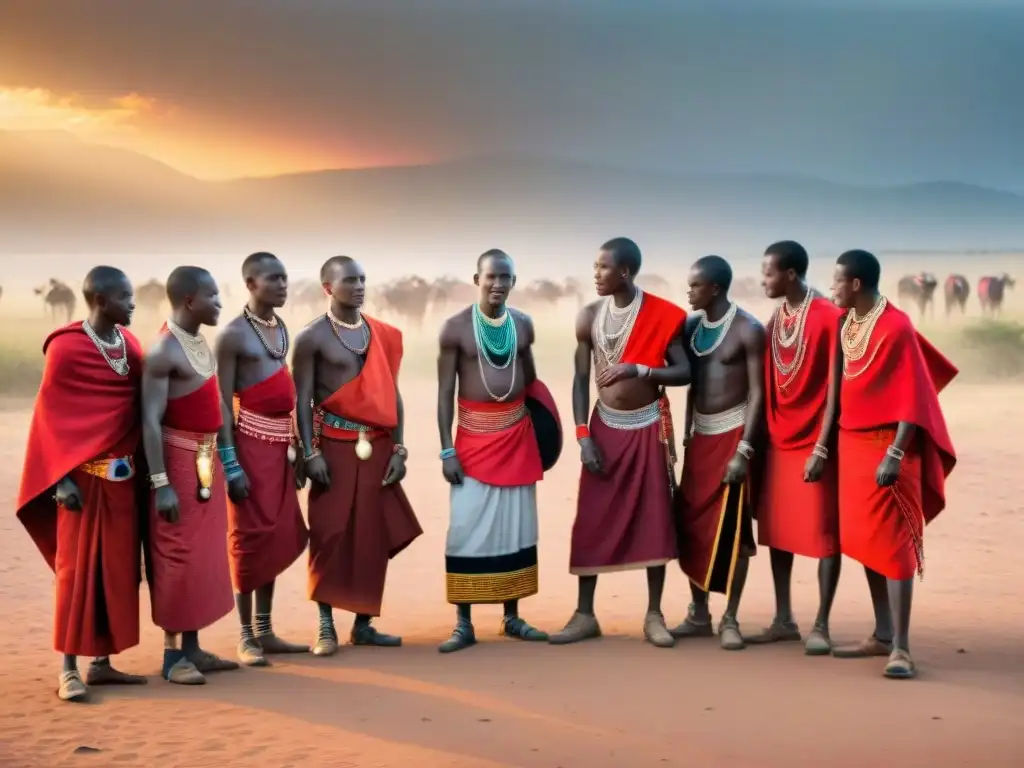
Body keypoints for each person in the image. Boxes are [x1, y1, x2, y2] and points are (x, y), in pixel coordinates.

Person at [549, 237, 690, 647]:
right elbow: (579, 380)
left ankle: (654, 615)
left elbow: (684, 373)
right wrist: (582, 436)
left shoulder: (664, 316)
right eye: (595, 266)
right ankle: (584, 614)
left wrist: (641, 369)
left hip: (648, 427)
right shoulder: (589, 316)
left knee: (655, 518)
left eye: (603, 267)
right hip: (603, 430)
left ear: (625, 272)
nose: (596, 274)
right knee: (592, 518)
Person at [17, 266, 148, 701]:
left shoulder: (128, 344)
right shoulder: (67, 349)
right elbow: (49, 417)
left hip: (123, 484)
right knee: (77, 574)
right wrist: (59, 478)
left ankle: (102, 665)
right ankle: (68, 669)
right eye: (125, 296)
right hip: (81, 485)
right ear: (100, 301)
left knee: (116, 573)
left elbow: (138, 407)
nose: (133, 302)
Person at [829, 249, 957, 679]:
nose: (832, 289)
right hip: (852, 444)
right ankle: (882, 634)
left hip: (887, 447)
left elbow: (914, 396)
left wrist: (896, 452)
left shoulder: (897, 326)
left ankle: (901, 649)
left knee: (896, 545)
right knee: (868, 542)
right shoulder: (849, 322)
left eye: (837, 282)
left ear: (856, 284)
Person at [293, 256, 422, 656]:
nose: (359, 286)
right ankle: (325, 626)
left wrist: (399, 448)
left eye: (363, 279)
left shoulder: (378, 334)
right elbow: (301, 399)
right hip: (332, 447)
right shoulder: (311, 337)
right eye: (350, 280)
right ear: (328, 287)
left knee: (371, 535)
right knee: (330, 535)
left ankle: (363, 624)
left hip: (378, 446)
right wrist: (310, 453)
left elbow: (392, 396)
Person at [435, 249, 562, 653]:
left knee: (515, 527)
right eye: (491, 277)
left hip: (517, 436)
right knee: (466, 528)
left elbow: (532, 383)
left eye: (505, 277)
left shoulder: (523, 325)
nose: (497, 285)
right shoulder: (454, 328)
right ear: (477, 279)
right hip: (472, 440)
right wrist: (446, 450)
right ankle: (463, 622)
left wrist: (544, 436)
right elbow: (444, 395)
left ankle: (512, 616)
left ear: (513, 281)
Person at [142, 266, 238, 684]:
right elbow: (149, 420)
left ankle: (194, 648)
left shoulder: (199, 342)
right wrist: (161, 483)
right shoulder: (163, 350)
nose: (220, 303)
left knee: (203, 559)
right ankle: (171, 657)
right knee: (176, 558)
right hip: (176, 465)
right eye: (213, 296)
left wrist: (225, 463)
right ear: (189, 300)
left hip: (207, 462)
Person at [748, 241, 844, 654]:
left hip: (815, 442)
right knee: (779, 533)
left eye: (768, 273)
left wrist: (822, 447)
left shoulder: (827, 317)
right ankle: (784, 619)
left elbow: (837, 389)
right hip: (778, 440)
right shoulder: (776, 318)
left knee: (824, 533)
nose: (762, 279)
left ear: (790, 274)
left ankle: (821, 624)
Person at [214, 252, 309, 666]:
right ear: (250, 284)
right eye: (274, 278)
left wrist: (300, 447)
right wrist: (231, 463)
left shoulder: (279, 327)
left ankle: (267, 630)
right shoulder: (232, 335)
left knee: (273, 536)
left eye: (286, 278)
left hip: (280, 448)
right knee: (248, 538)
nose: (283, 285)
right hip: (248, 447)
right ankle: (246, 636)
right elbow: (220, 402)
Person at [673, 255, 765, 651]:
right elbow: (689, 382)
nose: (688, 292)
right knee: (692, 525)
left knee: (734, 529)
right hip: (700, 439)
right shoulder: (692, 328)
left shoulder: (748, 329)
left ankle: (730, 617)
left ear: (714, 289)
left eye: (694, 286)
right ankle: (698, 614)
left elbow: (759, 392)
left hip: (733, 436)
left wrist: (744, 450)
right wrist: (686, 434)